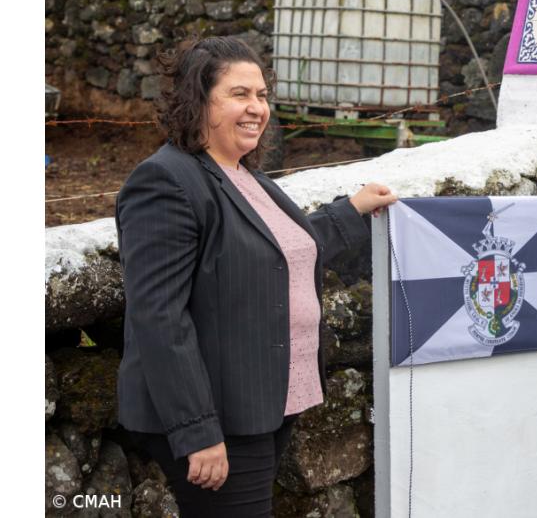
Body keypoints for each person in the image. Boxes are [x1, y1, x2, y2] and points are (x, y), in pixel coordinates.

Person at [115, 36, 397, 516]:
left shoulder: (247, 176)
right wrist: (198, 431)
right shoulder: (166, 181)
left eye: (263, 95)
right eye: (239, 94)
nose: (257, 108)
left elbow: (279, 253)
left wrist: (352, 210)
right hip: (220, 418)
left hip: (263, 403)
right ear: (198, 100)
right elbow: (159, 317)